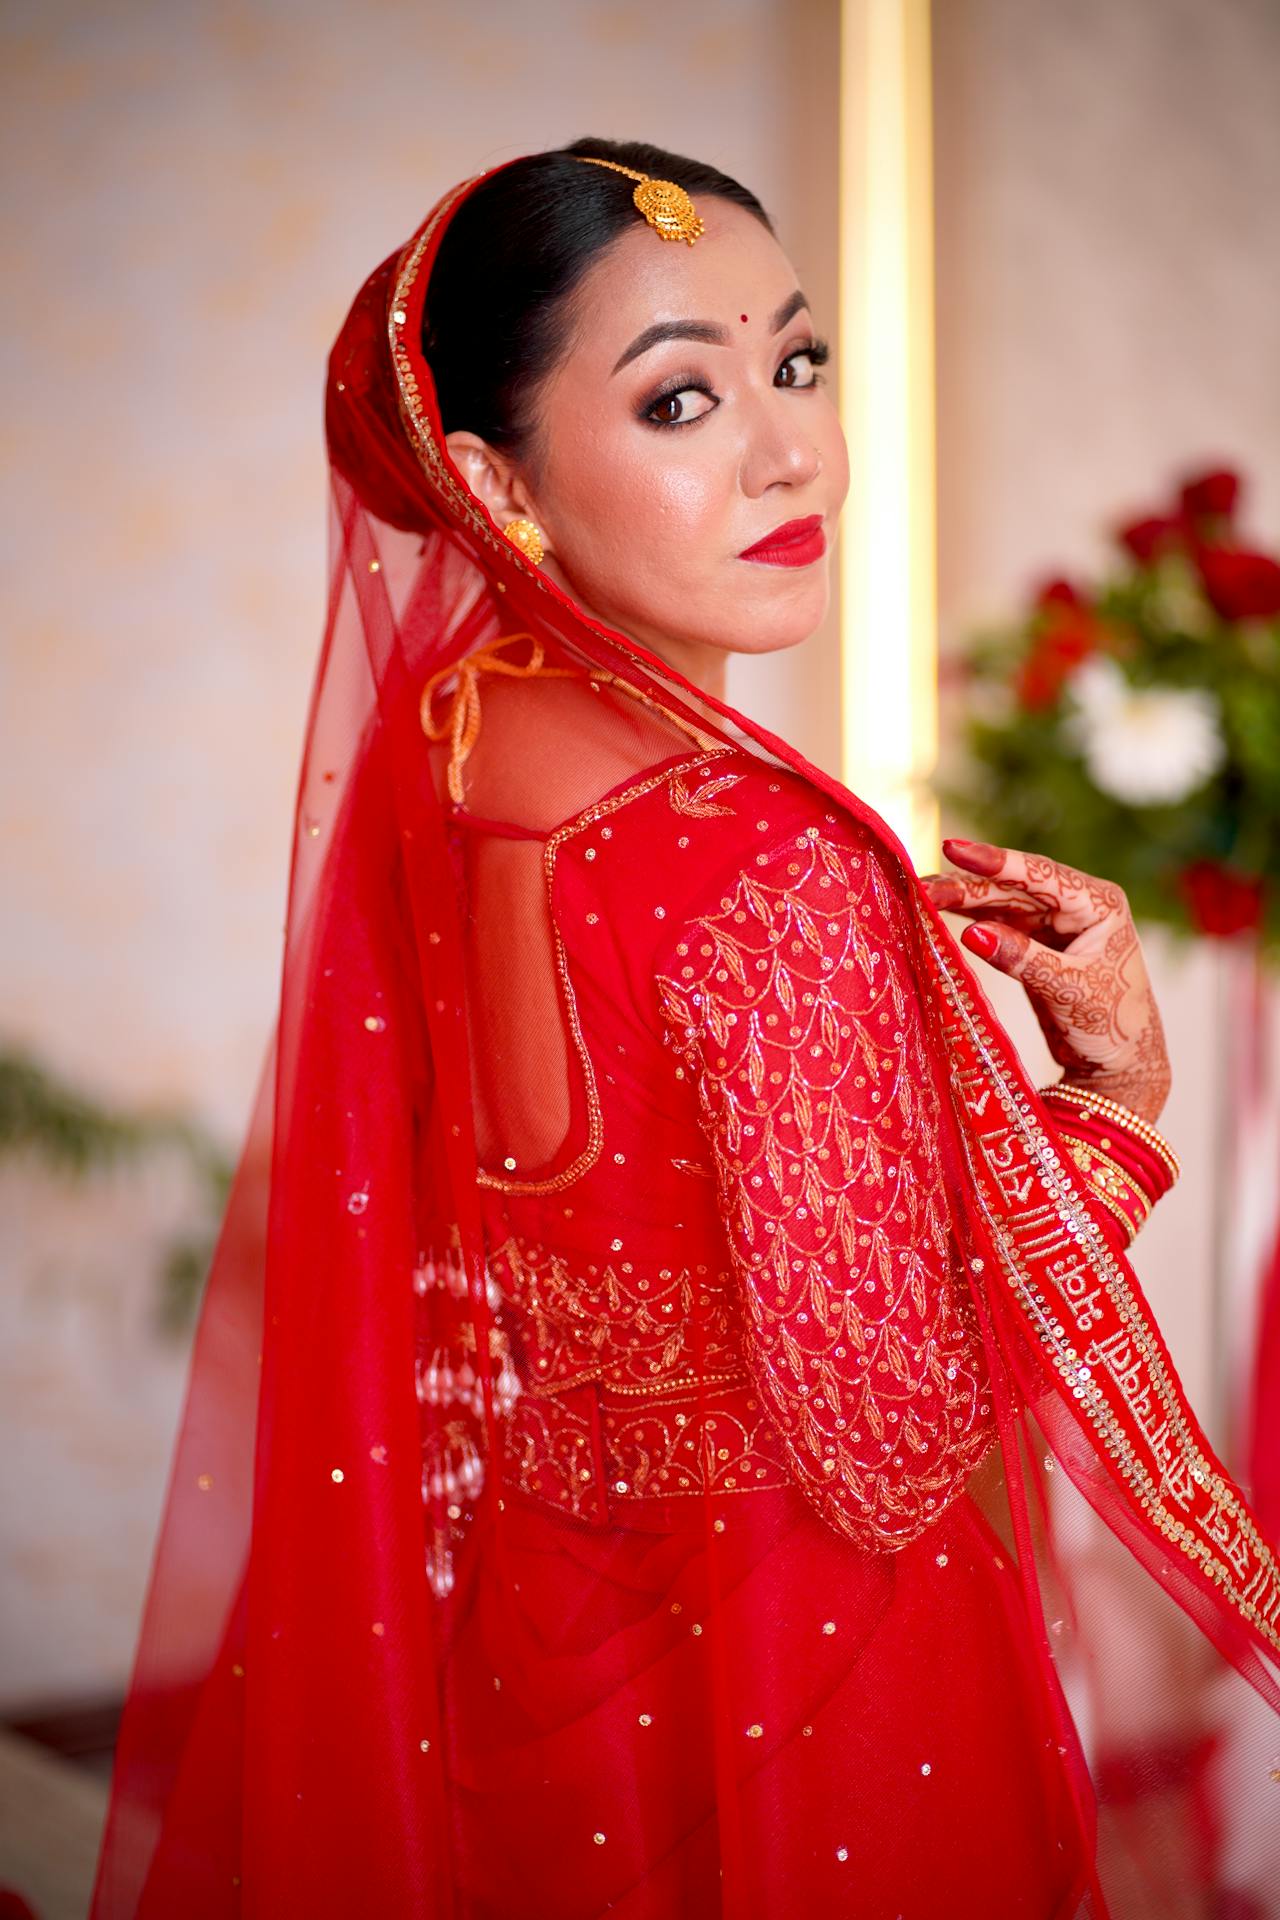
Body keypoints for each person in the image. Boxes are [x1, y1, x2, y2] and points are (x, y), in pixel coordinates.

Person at [88, 138, 1280, 1920]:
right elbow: (893, 1424)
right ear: (493, 480)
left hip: (532, 1631)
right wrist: (1113, 1102)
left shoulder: (457, 736)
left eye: (796, 365)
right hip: (805, 1680)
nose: (791, 451)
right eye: (681, 402)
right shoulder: (762, 865)